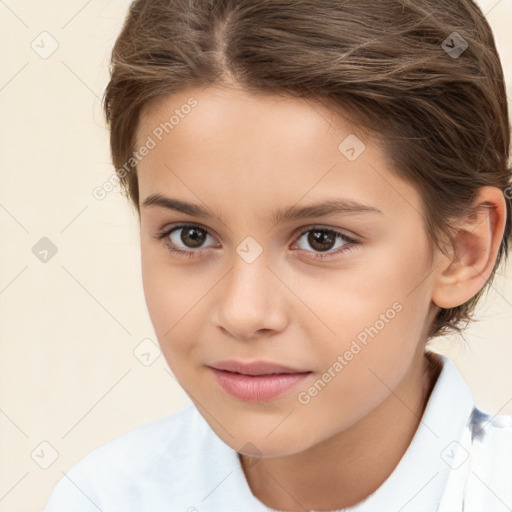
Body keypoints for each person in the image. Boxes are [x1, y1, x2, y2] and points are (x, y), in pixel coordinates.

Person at [45, 0, 512, 510]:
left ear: (463, 250)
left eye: (321, 240)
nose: (244, 313)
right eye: (191, 236)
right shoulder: (101, 498)